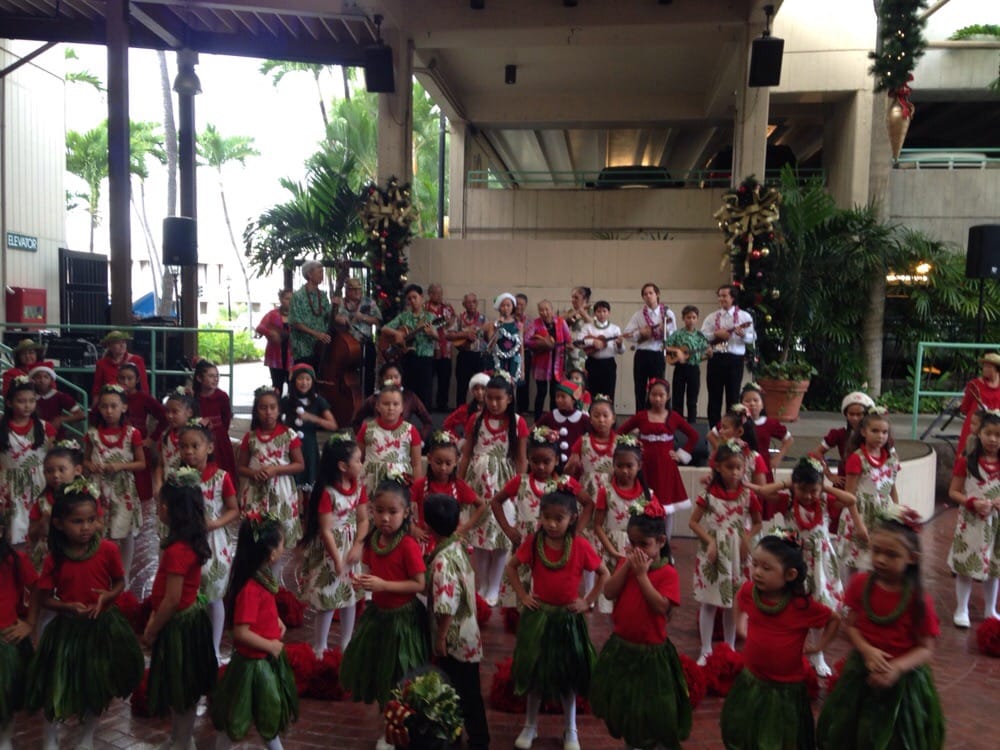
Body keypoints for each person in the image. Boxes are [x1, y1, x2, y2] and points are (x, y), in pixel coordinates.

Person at [25, 480, 143, 750]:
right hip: (66, 629)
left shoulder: (108, 550)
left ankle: (87, 736)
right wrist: (66, 607)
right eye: (78, 521)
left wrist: (108, 597)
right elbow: (43, 596)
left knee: (95, 684)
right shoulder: (56, 557)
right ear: (59, 524)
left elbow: (119, 582)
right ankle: (50, 736)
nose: (86, 527)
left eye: (91, 520)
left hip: (99, 627)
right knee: (56, 684)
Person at [816, 508, 944, 750]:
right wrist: (866, 650)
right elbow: (850, 626)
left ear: (912, 558)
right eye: (876, 551)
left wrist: (896, 667)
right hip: (862, 671)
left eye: (892, 555)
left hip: (903, 679)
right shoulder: (860, 585)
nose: (881, 560)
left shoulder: (918, 599)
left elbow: (926, 648)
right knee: (852, 733)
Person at [505, 490, 609, 750]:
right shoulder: (533, 541)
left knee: (568, 676)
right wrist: (522, 595)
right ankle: (530, 725)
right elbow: (511, 567)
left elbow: (603, 573)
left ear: (572, 518)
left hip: (567, 619)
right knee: (535, 672)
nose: (551, 524)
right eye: (546, 517)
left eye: (559, 518)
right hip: (539, 617)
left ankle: (570, 728)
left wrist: (587, 600)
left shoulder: (580, 545)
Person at [720, 534, 840, 750]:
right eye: (755, 564)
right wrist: (740, 625)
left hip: (786, 689)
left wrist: (818, 647)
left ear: (790, 574)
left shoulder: (802, 606)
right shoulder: (750, 591)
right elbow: (740, 597)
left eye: (766, 568)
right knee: (747, 731)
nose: (757, 572)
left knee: (780, 738)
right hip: (752, 681)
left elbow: (833, 619)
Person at [591, 499, 691, 750]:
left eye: (644, 544)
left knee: (649, 707)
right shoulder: (627, 564)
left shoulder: (667, 573)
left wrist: (642, 576)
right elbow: (609, 592)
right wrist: (627, 569)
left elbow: (661, 607)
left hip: (650, 653)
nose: (636, 550)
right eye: (632, 543)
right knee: (626, 704)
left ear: (661, 542)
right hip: (623, 647)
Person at [340, 478, 430, 748]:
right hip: (378, 616)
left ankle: (400, 728)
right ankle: (390, 727)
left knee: (400, 675)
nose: (385, 518)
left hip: (403, 619)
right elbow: (373, 571)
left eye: (393, 512)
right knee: (383, 674)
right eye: (379, 511)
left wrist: (383, 585)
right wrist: (364, 582)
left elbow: (419, 584)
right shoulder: (374, 540)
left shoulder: (407, 545)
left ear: (406, 513)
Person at [753, 457, 861, 676]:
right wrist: (788, 485)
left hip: (820, 563)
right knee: (794, 605)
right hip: (795, 561)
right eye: (803, 489)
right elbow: (764, 492)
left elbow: (850, 499)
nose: (809, 495)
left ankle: (817, 655)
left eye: (814, 490)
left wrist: (825, 488)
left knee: (818, 605)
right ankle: (791, 650)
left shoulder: (824, 501)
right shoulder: (787, 502)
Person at [141, 468, 217, 749]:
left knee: (182, 687)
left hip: (179, 624)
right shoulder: (187, 541)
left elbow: (172, 599)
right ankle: (178, 738)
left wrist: (152, 628)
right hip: (187, 619)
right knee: (180, 685)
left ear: (167, 509)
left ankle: (184, 741)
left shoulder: (177, 550)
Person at [211, 515, 299, 750]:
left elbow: (262, 611)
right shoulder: (251, 588)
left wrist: (276, 620)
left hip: (263, 661)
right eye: (282, 543)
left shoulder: (261, 577)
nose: (284, 547)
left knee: (264, 717)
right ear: (271, 553)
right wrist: (269, 645)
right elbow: (241, 632)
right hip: (252, 665)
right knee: (236, 718)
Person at [423, 493, 490, 750]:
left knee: (463, 690)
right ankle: (467, 734)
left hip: (455, 639)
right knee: (468, 688)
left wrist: (440, 637)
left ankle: (477, 739)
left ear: (428, 525)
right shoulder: (458, 545)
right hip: (468, 632)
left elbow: (445, 605)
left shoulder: (442, 561)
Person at [492, 427, 586, 609]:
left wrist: (578, 530)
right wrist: (508, 529)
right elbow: (496, 502)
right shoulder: (521, 481)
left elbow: (588, 503)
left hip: (554, 547)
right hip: (526, 545)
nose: (540, 466)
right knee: (522, 592)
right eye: (535, 461)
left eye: (546, 461)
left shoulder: (566, 483)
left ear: (557, 460)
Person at [689, 440, 762, 664]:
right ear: (718, 467)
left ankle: (729, 646)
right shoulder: (708, 495)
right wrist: (710, 541)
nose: (735, 472)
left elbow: (758, 523)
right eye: (730, 467)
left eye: (739, 467)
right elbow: (694, 522)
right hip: (713, 554)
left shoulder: (749, 496)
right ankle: (706, 648)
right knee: (709, 602)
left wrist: (747, 538)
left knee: (733, 603)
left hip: (738, 554)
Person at [459, 373, 529, 605]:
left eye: (499, 398)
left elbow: (521, 458)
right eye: (489, 398)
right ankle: (483, 585)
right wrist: (458, 482)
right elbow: (467, 453)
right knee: (479, 535)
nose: (494, 403)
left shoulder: (518, 423)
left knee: (500, 535)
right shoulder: (476, 420)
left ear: (509, 398)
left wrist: (521, 486)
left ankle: (495, 585)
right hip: (478, 484)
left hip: (503, 484)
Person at [298, 432, 368, 656]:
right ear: (342, 466)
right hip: (331, 550)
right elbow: (326, 530)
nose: (361, 464)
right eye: (358, 460)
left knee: (349, 596)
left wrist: (358, 545)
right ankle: (320, 646)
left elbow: (364, 519)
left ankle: (346, 642)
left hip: (350, 548)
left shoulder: (358, 487)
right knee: (328, 598)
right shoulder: (327, 493)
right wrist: (337, 560)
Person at [178, 423, 239, 659]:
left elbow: (234, 509)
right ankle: (190, 643)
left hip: (214, 543)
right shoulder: (177, 478)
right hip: (185, 542)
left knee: (213, 596)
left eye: (195, 446)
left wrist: (215, 523)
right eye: (184, 447)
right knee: (187, 595)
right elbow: (165, 510)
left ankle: (214, 646)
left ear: (210, 447)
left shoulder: (221, 478)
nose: (189, 451)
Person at [619, 378, 698, 538]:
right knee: (643, 503)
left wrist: (680, 455)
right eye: (654, 395)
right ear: (649, 396)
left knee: (666, 507)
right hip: (645, 467)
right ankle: (642, 540)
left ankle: (665, 545)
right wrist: (632, 445)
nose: (657, 399)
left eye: (661, 395)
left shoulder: (674, 416)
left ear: (668, 396)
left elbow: (693, 436)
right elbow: (620, 432)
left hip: (666, 468)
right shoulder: (641, 416)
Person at [84, 384, 145, 584]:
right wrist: (89, 465)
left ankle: (124, 576)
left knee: (125, 532)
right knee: (100, 532)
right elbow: (83, 461)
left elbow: (141, 463)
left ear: (124, 407)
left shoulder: (132, 434)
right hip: (98, 490)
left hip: (123, 491)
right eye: (104, 406)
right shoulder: (92, 434)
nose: (109, 411)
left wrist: (119, 466)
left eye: (114, 406)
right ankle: (100, 574)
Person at [237, 387, 305, 560]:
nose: (268, 412)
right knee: (256, 533)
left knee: (278, 533)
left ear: (279, 409)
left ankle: (274, 572)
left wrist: (276, 469)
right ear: (256, 411)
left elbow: (299, 465)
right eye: (263, 408)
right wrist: (253, 473)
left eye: (272, 407)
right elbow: (240, 467)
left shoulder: (289, 435)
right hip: (256, 491)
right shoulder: (250, 437)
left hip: (282, 492)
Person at [592, 435, 657, 615]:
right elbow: (597, 525)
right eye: (620, 466)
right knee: (612, 597)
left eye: (630, 466)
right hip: (613, 547)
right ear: (613, 465)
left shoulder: (648, 495)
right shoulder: (606, 492)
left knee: (634, 595)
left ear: (639, 466)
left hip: (638, 551)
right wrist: (611, 550)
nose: (625, 471)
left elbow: (655, 526)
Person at [948, 408, 1000, 628]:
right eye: (989, 433)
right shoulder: (967, 460)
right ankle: (961, 608)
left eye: (998, 435)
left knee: (994, 567)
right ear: (979, 433)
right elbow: (954, 491)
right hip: (972, 521)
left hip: (996, 523)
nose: (993, 439)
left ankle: (990, 608)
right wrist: (971, 502)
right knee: (966, 566)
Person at [839, 407, 900, 585]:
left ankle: (872, 596)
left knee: (878, 560)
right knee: (854, 559)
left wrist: (897, 512)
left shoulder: (891, 458)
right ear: (864, 432)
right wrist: (858, 525)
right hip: (859, 513)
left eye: (884, 432)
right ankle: (852, 596)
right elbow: (849, 495)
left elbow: (892, 488)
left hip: (882, 513)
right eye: (875, 431)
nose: (880, 436)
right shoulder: (857, 459)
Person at [409, 430, 488, 552]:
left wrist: (465, 528)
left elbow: (481, 505)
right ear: (429, 459)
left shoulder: (459, 486)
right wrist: (413, 528)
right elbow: (404, 506)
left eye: (448, 463)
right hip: (425, 542)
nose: (443, 468)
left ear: (456, 461)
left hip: (451, 542)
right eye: (438, 462)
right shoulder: (420, 485)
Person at [1, 376, 55, 546]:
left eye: (31, 401)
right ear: (9, 403)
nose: (27, 405)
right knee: (13, 533)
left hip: (39, 483)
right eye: (21, 401)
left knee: (39, 534)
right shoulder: (2, 428)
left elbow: (53, 458)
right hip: (10, 486)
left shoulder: (45, 428)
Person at [0, 513, 38, 750]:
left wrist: (30, 623)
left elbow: (36, 588)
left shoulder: (15, 560)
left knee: (6, 694)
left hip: (7, 637)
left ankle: (4, 740)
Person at [701, 284, 755, 427]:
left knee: (733, 396)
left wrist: (743, 335)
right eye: (719, 296)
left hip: (734, 360)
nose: (721, 299)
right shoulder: (712, 317)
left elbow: (752, 337)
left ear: (733, 297)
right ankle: (714, 430)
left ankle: (732, 430)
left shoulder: (744, 316)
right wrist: (715, 334)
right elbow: (701, 336)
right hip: (716, 359)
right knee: (714, 397)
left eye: (724, 295)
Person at [357, 383, 425, 496]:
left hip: (400, 483)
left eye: (396, 404)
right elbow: (358, 459)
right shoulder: (367, 429)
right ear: (377, 406)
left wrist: (417, 492)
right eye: (386, 404)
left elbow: (416, 465)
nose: (391, 408)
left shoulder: (411, 431)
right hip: (369, 482)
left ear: (402, 407)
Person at [382, 284, 440, 410]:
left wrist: (432, 333)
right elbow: (384, 328)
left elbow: (438, 337)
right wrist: (398, 333)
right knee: (407, 392)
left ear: (421, 297)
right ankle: (406, 423)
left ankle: (426, 424)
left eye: (415, 297)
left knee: (425, 393)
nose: (412, 301)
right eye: (409, 299)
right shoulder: (404, 316)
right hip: (407, 358)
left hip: (425, 359)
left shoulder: (431, 317)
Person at [28, 441, 85, 570]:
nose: (55, 475)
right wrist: (43, 522)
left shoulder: (85, 498)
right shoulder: (42, 502)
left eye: (61, 470)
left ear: (77, 470)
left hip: (77, 553)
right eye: (49, 471)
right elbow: (31, 534)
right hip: (47, 557)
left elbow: (98, 525)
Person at [281, 363, 337, 492]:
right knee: (290, 484)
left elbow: (333, 425)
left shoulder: (318, 401)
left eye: (308, 379)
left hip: (309, 447)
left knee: (309, 484)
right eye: (300, 378)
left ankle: (307, 510)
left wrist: (312, 418)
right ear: (294, 380)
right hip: (289, 446)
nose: (304, 382)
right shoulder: (286, 400)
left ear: (312, 381)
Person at [117, 361, 167, 503]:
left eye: (130, 378)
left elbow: (164, 417)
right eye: (122, 378)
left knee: (141, 488)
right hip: (117, 445)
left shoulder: (143, 398)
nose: (125, 381)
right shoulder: (113, 396)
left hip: (139, 445)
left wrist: (152, 438)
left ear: (137, 380)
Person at [623, 283, 676, 414]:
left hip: (658, 353)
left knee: (658, 387)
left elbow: (674, 334)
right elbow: (627, 334)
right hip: (642, 354)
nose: (648, 296)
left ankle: (658, 416)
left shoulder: (667, 312)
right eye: (645, 294)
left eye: (650, 293)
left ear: (657, 294)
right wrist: (640, 333)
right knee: (640, 388)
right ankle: (640, 416)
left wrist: (665, 331)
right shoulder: (638, 315)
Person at [332, 275, 382, 398]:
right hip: (346, 344)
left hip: (365, 342)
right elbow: (333, 319)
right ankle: (348, 397)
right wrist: (341, 319)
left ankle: (367, 398)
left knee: (368, 372)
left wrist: (363, 317)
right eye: (353, 290)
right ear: (347, 291)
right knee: (346, 371)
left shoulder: (368, 302)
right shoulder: (340, 303)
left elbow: (378, 320)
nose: (357, 292)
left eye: (359, 289)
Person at [526, 300, 572, 420]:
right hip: (542, 364)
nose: (544, 312)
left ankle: (554, 419)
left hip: (557, 364)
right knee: (541, 393)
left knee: (555, 394)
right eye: (541, 310)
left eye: (547, 309)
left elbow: (568, 339)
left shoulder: (561, 322)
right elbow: (526, 340)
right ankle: (537, 421)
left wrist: (566, 346)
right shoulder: (535, 323)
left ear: (551, 310)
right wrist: (540, 344)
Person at [665, 305, 709, 424]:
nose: (691, 320)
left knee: (692, 400)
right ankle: (677, 425)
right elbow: (665, 346)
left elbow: (701, 356)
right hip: (680, 368)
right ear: (683, 318)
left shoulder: (700, 336)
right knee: (677, 399)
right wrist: (677, 351)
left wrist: (708, 355)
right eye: (688, 317)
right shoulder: (678, 334)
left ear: (697, 319)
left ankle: (692, 426)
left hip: (694, 369)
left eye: (694, 317)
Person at [193, 359, 237, 478]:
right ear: (199, 378)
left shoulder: (222, 396)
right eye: (211, 376)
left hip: (219, 438)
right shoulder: (193, 397)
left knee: (222, 468)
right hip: (199, 437)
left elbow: (226, 418)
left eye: (217, 376)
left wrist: (221, 432)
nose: (215, 379)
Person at [535, 380, 591, 471]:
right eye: (557, 396)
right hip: (554, 466)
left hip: (575, 466)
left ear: (573, 400)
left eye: (563, 397)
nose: (559, 400)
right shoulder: (550, 416)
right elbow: (535, 430)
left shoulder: (583, 419)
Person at [153, 388, 197, 498]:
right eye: (167, 411)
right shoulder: (165, 435)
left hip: (190, 490)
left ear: (189, 412)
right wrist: (158, 483)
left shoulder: (196, 436)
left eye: (175, 411)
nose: (170, 416)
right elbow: (160, 465)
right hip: (168, 489)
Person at [448, 293, 489, 411]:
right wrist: (465, 334)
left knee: (481, 386)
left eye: (474, 302)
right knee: (462, 387)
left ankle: (480, 411)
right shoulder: (459, 318)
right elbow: (448, 335)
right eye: (468, 302)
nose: (471, 304)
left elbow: (488, 337)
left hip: (479, 356)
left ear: (477, 303)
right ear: (464, 304)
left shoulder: (484, 319)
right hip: (464, 356)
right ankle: (460, 413)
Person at [289, 260, 332, 369]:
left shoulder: (322, 295)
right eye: (320, 272)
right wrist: (316, 334)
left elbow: (329, 316)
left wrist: (337, 307)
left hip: (321, 346)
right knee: (304, 380)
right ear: (309, 274)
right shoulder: (298, 296)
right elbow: (295, 322)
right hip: (303, 348)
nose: (322, 275)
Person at [577, 300, 624, 401]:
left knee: (609, 393)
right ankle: (591, 415)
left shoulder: (615, 329)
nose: (602, 314)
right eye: (599, 311)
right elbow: (578, 342)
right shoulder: (588, 327)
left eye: (604, 311)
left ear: (609, 313)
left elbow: (621, 351)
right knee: (591, 392)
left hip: (609, 364)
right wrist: (593, 342)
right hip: (592, 363)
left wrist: (620, 345)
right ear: (594, 313)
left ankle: (609, 415)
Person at [30, 361, 84, 441]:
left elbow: (81, 415)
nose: (42, 380)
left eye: (46, 377)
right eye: (38, 377)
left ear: (51, 380)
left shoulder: (59, 396)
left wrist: (61, 419)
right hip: (33, 436)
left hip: (56, 437)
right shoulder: (29, 397)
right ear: (33, 379)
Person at [957, 352, 1000, 453]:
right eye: (984, 366)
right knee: (968, 452)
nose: (984, 369)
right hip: (976, 424)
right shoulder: (974, 384)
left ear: (996, 369)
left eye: (988, 366)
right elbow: (965, 408)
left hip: (996, 427)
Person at [425, 283, 457, 412]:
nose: (439, 296)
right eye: (436, 293)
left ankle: (442, 405)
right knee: (427, 379)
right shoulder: (424, 308)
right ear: (430, 294)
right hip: (429, 349)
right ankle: (426, 405)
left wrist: (451, 322)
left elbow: (454, 324)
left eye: (441, 293)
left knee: (444, 379)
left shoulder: (447, 308)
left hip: (446, 350)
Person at [255, 288, 293, 394]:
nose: (289, 301)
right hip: (276, 356)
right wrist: (271, 333)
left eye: (292, 299)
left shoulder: (296, 315)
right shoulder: (273, 314)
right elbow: (260, 327)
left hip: (292, 356)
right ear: (281, 299)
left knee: (292, 386)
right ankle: (276, 409)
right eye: (287, 299)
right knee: (277, 386)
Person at [91, 330, 150, 398]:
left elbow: (144, 387)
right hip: (110, 400)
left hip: (132, 399)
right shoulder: (101, 364)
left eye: (124, 342)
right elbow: (97, 390)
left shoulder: (137, 360)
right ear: (109, 346)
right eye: (117, 343)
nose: (122, 345)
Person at [487, 293, 525, 387]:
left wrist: (522, 368)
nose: (506, 308)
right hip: (498, 359)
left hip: (514, 359)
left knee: (513, 386)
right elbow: (490, 346)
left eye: (508, 305)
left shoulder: (518, 325)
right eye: (503, 305)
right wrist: (498, 327)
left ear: (513, 307)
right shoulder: (493, 324)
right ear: (499, 307)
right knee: (499, 386)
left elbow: (521, 346)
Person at [443, 371, 489, 439]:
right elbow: (447, 424)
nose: (480, 392)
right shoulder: (465, 409)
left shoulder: (494, 409)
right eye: (476, 389)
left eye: (483, 388)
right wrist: (457, 440)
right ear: (472, 391)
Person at [564, 286, 593, 374]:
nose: (573, 300)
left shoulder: (592, 310)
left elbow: (595, 326)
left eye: (576, 298)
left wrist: (583, 312)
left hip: (584, 352)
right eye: (572, 297)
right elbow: (560, 321)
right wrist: (576, 312)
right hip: (568, 351)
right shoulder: (568, 311)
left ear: (585, 299)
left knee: (581, 379)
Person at [514, 293, 532, 414]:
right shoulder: (508, 318)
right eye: (517, 304)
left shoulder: (530, 321)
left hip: (525, 353)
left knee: (524, 381)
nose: (519, 306)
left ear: (525, 306)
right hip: (510, 353)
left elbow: (530, 337)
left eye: (522, 304)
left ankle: (523, 409)